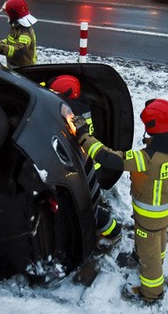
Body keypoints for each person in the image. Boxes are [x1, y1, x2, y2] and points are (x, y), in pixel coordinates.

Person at [73, 99, 168, 302]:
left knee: (149, 255)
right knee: (158, 238)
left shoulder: (146, 159)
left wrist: (84, 136)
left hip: (149, 216)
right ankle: (154, 258)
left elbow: (108, 158)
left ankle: (152, 293)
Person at [48, 74, 121, 245]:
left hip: (86, 166)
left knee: (89, 206)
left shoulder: (71, 113)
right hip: (91, 164)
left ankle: (113, 231)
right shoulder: (81, 104)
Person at [0, 0, 37, 68]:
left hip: (24, 69)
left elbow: (19, 50)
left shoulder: (25, 32)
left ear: (14, 15)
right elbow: (11, 41)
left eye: (7, 14)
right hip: (14, 65)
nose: (7, 15)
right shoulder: (16, 26)